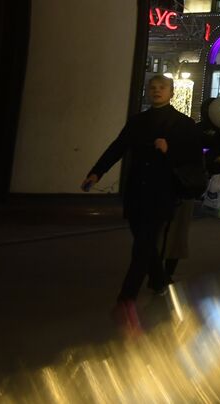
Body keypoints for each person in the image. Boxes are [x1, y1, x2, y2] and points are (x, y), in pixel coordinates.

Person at [82, 74, 203, 331]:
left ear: (171, 93)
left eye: (162, 88)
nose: (157, 91)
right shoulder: (138, 122)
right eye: (153, 87)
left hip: (162, 193)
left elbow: (194, 157)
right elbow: (118, 147)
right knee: (143, 243)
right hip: (136, 192)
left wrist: (169, 149)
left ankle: (126, 301)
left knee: (143, 246)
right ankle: (159, 282)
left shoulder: (183, 124)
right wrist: (97, 171)